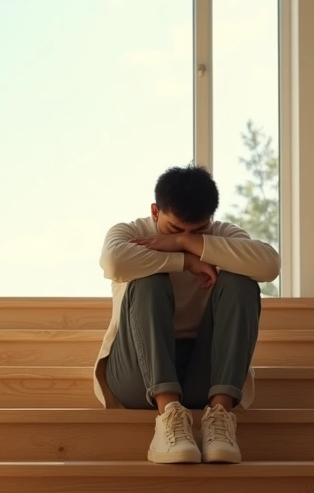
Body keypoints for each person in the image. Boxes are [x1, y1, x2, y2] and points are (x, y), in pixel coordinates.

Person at [93, 164, 281, 464]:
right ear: (156, 212)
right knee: (149, 278)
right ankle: (169, 414)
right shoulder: (131, 232)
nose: (188, 236)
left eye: (199, 231)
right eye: (175, 229)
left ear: (211, 219)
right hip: (137, 375)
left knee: (241, 280)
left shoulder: (223, 234)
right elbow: (114, 263)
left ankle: (219, 419)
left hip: (204, 374)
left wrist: (184, 242)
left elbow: (269, 265)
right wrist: (185, 262)